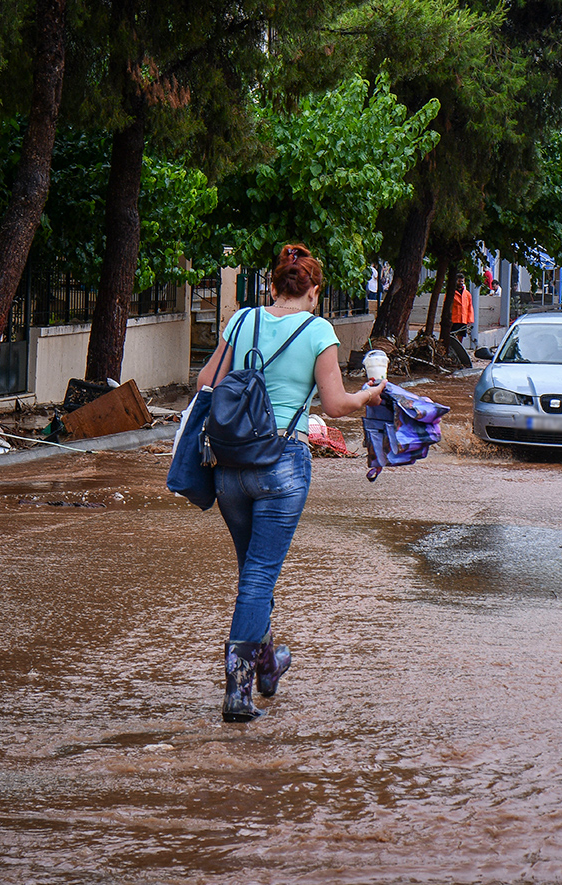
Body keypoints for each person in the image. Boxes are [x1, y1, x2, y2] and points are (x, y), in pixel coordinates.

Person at [195, 244, 382, 722]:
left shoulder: (241, 321)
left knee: (254, 575)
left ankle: (268, 665)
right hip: (282, 462)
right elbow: (336, 405)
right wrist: (369, 396)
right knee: (259, 577)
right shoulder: (320, 331)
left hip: (230, 467)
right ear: (314, 291)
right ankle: (238, 695)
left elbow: (204, 382)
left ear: (273, 286)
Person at [445, 274, 474, 342]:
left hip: (463, 319)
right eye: (459, 281)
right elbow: (446, 306)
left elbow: (470, 307)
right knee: (452, 336)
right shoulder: (450, 293)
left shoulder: (467, 294)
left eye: (462, 281)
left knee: (461, 336)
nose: (461, 283)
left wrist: (470, 319)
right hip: (454, 319)